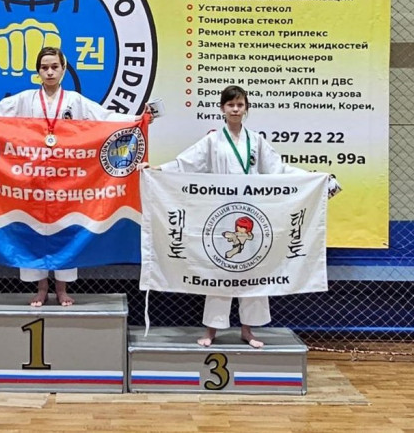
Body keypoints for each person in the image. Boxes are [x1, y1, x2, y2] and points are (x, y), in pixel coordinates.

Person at [139, 85, 338, 349]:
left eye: (240, 105)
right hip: (220, 214)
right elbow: (185, 163)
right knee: (217, 269)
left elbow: (278, 170)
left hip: (253, 214)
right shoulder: (212, 141)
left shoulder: (256, 141)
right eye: (230, 104)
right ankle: (211, 329)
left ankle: (248, 330)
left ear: (246, 109)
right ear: (222, 108)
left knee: (254, 270)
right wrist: (158, 170)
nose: (235, 109)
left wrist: (315, 179)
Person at [0, 46, 146, 307]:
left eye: (55, 67)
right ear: (38, 72)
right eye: (44, 68)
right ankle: (41, 288)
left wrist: (137, 120)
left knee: (64, 230)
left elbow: (105, 118)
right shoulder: (26, 99)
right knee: (34, 231)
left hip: (66, 179)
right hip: (32, 178)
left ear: (64, 69)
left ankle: (62, 289)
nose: (50, 72)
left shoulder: (75, 101)